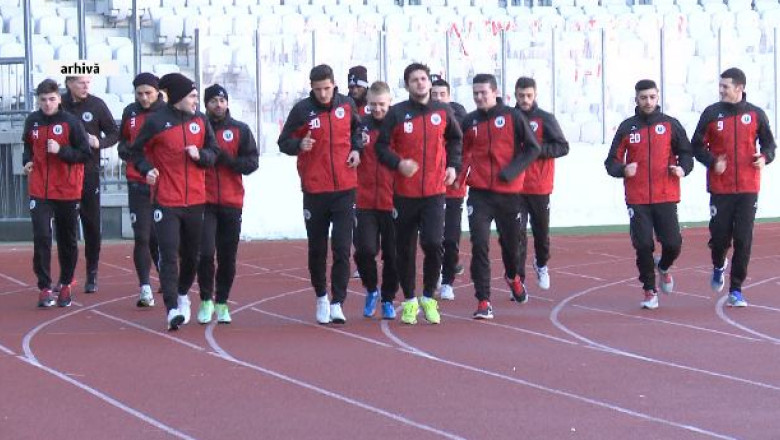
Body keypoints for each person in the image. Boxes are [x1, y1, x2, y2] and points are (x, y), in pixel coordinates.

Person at [128, 73, 220, 331]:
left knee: (192, 256)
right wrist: (147, 169)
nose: (195, 101)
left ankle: (182, 295)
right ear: (179, 97)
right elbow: (136, 151)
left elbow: (214, 153)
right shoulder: (156, 122)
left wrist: (200, 154)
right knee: (168, 254)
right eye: (191, 96)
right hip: (166, 200)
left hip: (196, 201)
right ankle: (171, 309)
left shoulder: (201, 121)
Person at [376, 62, 462, 325]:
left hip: (435, 191)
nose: (421, 83)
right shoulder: (397, 113)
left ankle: (428, 297)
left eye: (424, 78)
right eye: (414, 80)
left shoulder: (443, 111)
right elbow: (381, 147)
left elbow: (456, 140)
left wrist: (453, 165)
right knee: (405, 249)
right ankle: (410, 301)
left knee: (435, 244)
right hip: (404, 193)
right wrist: (398, 163)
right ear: (407, 85)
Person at [278, 64, 362, 325]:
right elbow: (284, 141)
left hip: (345, 189)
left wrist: (357, 149)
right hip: (315, 190)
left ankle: (338, 302)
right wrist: (298, 144)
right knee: (317, 249)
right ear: (311, 88)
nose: (323, 94)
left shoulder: (347, 105)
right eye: (318, 89)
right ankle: (321, 297)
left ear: (334, 85)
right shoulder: (302, 110)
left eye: (327, 88)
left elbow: (359, 131)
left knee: (341, 247)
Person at [605, 79, 694, 309]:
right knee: (643, 245)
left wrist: (682, 169)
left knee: (673, 244)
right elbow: (611, 161)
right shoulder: (627, 128)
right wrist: (623, 169)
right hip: (638, 198)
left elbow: (686, 152)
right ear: (636, 99)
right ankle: (649, 290)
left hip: (666, 194)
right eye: (643, 97)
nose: (648, 101)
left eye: (652, 97)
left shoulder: (670, 125)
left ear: (658, 97)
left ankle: (663, 267)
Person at [691, 67, 776, 307]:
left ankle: (736, 289)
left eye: (725, 86)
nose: (721, 90)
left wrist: (765, 157)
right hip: (721, 187)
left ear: (739, 88)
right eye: (720, 86)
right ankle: (719, 264)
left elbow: (770, 144)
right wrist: (711, 161)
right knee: (720, 239)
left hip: (749, 187)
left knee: (743, 239)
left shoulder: (756, 114)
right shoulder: (711, 114)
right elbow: (696, 145)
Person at [461, 74, 540, 319]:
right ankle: (483, 301)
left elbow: (533, 148)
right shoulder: (469, 121)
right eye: (475, 93)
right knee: (480, 246)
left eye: (483, 92)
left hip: (508, 194)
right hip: (479, 195)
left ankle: (513, 276)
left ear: (495, 92)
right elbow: (461, 152)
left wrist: (512, 171)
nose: (479, 97)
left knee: (512, 246)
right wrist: (459, 176)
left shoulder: (512, 117)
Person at [22, 79, 91, 308]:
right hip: (40, 189)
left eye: (52, 99)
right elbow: (27, 148)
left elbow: (84, 153)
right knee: (41, 236)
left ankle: (65, 284)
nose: (47, 104)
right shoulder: (32, 121)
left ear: (59, 99)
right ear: (38, 101)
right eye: (43, 100)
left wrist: (60, 150)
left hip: (67, 189)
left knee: (67, 238)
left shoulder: (71, 122)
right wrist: (28, 162)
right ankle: (44, 286)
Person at [196, 84, 259, 324]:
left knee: (227, 256)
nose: (218, 104)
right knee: (205, 252)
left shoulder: (240, 129)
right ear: (206, 104)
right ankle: (205, 299)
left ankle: (222, 302)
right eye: (213, 101)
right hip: (204, 200)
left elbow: (252, 162)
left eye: (222, 100)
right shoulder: (199, 129)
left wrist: (229, 161)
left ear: (228, 102)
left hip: (232, 201)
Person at [61, 75, 119, 294]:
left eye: (88, 82)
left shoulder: (96, 104)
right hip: (64, 173)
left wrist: (99, 142)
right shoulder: (60, 105)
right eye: (80, 82)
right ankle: (67, 275)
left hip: (89, 172)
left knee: (92, 223)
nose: (85, 86)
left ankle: (92, 273)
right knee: (66, 225)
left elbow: (114, 133)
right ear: (69, 83)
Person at [514, 77, 569, 292]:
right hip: (515, 186)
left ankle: (541, 263)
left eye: (528, 95)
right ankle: (518, 279)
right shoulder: (509, 118)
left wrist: (536, 150)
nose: (525, 100)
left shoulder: (545, 118)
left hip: (539, 186)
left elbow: (562, 147)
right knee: (516, 233)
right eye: (521, 96)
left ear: (535, 95)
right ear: (515, 95)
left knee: (541, 233)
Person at [117, 72, 165, 308]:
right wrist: (129, 152)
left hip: (164, 182)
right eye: (139, 93)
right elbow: (122, 143)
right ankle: (145, 287)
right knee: (142, 236)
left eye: (148, 93)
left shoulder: (168, 113)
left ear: (158, 92)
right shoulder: (130, 112)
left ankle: (167, 276)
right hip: (137, 180)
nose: (144, 98)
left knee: (161, 236)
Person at [354, 81, 399, 320]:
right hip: (365, 200)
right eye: (373, 105)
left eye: (382, 104)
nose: (378, 109)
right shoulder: (361, 127)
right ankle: (372, 289)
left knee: (392, 255)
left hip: (393, 201)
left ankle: (389, 299)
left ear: (390, 102)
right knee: (364, 250)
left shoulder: (399, 126)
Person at [430, 76, 468, 301]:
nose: (438, 99)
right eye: (434, 95)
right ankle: (435, 272)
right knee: (432, 236)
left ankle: (447, 281)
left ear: (449, 96)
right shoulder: (420, 116)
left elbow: (464, 146)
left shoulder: (458, 117)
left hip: (453, 185)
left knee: (451, 235)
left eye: (442, 95)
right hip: (429, 186)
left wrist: (460, 171)